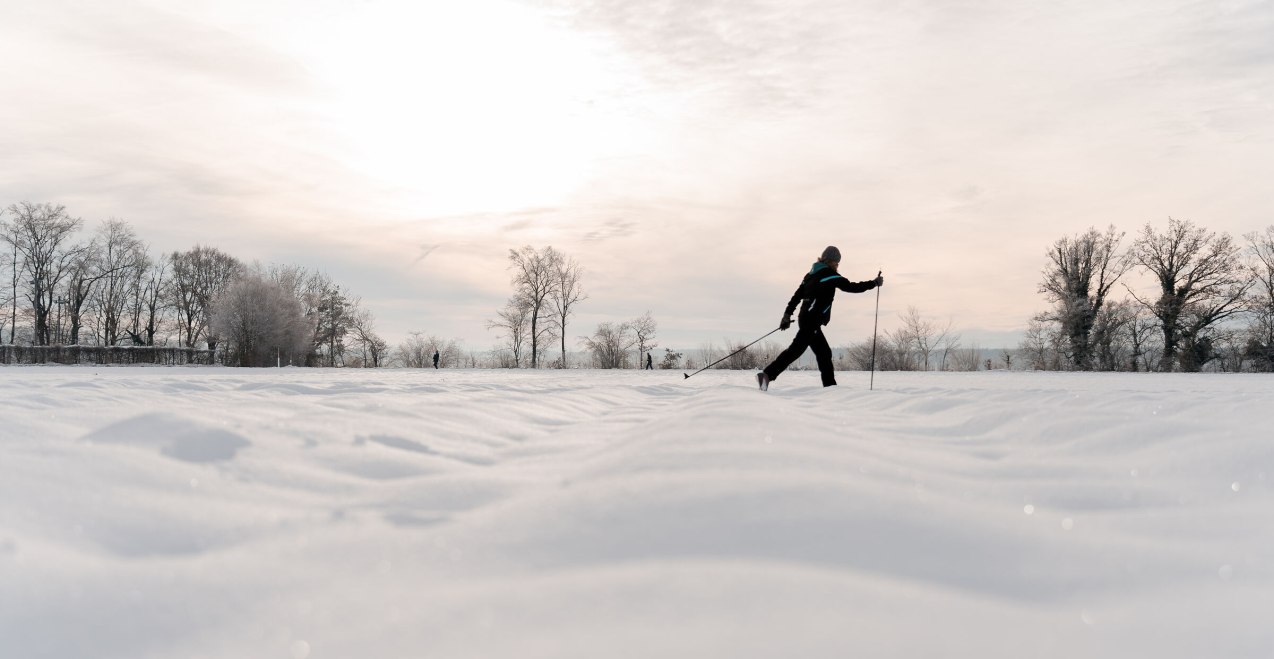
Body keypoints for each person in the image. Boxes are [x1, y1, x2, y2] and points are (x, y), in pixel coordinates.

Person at [757, 246, 882, 390]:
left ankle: (830, 387)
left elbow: (797, 296)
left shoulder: (810, 275)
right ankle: (766, 375)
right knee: (796, 351)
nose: (837, 265)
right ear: (831, 261)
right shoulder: (829, 275)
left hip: (806, 318)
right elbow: (852, 287)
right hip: (811, 320)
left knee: (823, 353)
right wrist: (874, 283)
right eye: (836, 262)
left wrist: (787, 315)